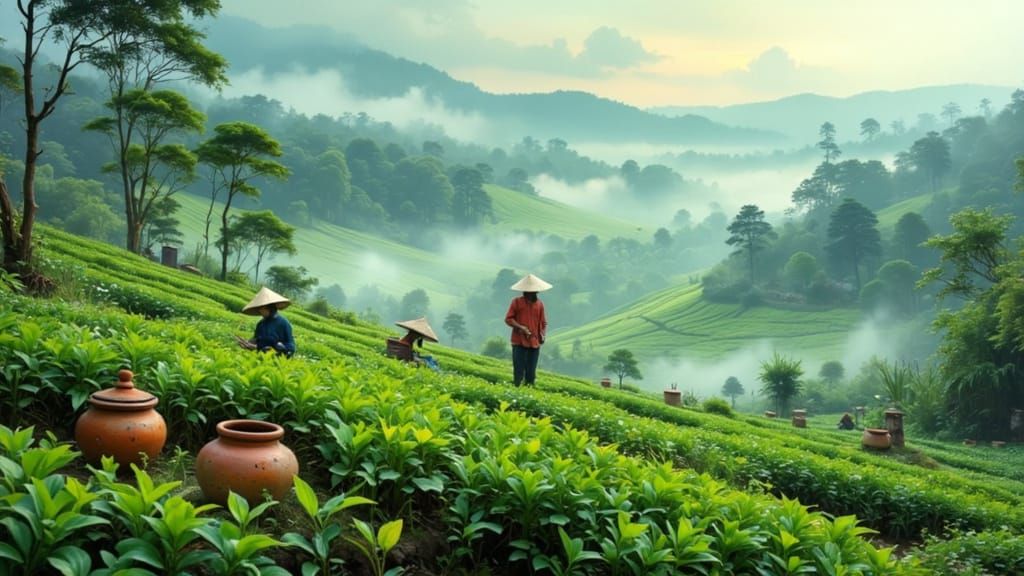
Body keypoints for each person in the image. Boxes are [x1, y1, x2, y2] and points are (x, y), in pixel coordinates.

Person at [505, 273, 551, 386]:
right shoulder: (516, 302)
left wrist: (542, 335)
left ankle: (529, 388)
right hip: (519, 342)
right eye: (528, 292)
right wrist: (521, 327)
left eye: (533, 291)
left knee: (531, 373)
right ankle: (516, 388)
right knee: (518, 370)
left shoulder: (540, 305)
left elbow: (543, 323)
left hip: (534, 343)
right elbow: (508, 319)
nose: (531, 293)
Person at [238, 287, 295, 357]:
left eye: (262, 309)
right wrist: (248, 343)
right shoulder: (261, 324)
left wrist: (276, 349)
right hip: (261, 358)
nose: (260, 311)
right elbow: (257, 339)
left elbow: (291, 347)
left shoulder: (283, 323)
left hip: (278, 361)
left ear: (270, 308)